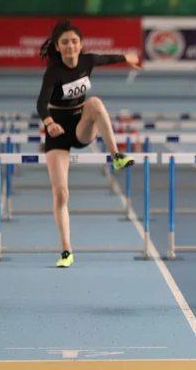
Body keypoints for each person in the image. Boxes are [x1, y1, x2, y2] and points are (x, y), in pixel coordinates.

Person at [36, 19, 139, 268]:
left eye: (74, 41)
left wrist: (127, 57)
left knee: (94, 103)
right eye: (64, 43)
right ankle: (66, 252)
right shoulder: (53, 70)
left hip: (81, 128)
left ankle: (116, 156)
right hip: (57, 133)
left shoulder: (88, 61)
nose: (70, 46)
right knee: (61, 193)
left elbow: (108, 58)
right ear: (58, 47)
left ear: (80, 45)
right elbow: (41, 103)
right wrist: (49, 123)